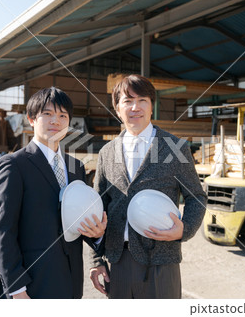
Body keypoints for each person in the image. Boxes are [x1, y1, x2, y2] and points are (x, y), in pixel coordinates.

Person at [89, 74, 207, 299]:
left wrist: (186, 228)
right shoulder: (106, 153)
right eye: (127, 101)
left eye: (142, 100)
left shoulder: (174, 148)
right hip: (119, 262)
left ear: (152, 106)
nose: (135, 107)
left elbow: (196, 197)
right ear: (117, 108)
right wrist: (96, 260)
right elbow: (98, 208)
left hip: (161, 261)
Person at [0, 87, 106, 299]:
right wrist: (17, 289)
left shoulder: (76, 167)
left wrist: (96, 236)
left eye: (63, 115)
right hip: (33, 283)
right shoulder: (15, 164)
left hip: (71, 280)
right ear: (31, 119)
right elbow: (4, 231)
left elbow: (76, 219)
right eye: (48, 114)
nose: (56, 121)